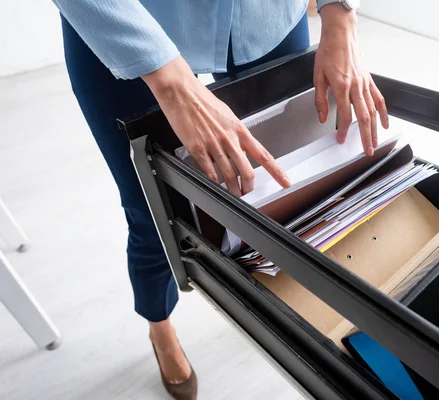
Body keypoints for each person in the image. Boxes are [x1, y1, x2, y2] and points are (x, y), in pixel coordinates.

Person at [52, 0, 389, 398]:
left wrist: (341, 12)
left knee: (291, 184)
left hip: (267, 13)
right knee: (151, 211)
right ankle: (159, 326)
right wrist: (172, 83)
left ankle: (278, 300)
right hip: (132, 19)